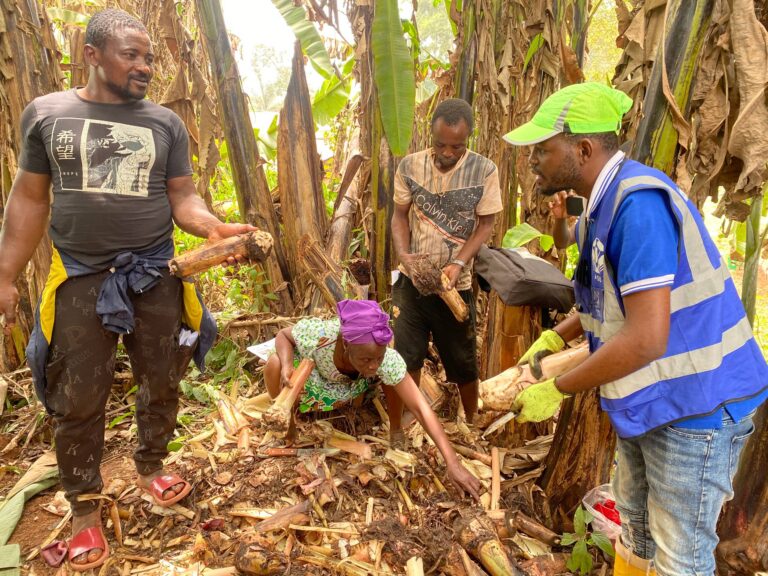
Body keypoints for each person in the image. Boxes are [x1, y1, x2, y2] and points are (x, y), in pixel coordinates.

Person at [0, 9, 253, 570]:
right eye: (130, 56)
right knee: (78, 396)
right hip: (80, 277)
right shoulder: (47, 114)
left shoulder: (164, 122)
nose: (144, 66)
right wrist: (6, 274)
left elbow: (181, 196)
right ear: (92, 55)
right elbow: (30, 199)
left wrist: (209, 225)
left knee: (163, 378)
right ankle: (86, 513)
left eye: (148, 58)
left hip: (156, 273)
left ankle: (150, 467)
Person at [504, 82, 768, 576]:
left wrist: (557, 389)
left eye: (543, 149)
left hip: (697, 406)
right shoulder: (601, 206)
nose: (534, 159)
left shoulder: (638, 205)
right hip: (651, 401)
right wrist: (556, 336)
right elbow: (604, 299)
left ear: (582, 149)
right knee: (638, 533)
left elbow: (646, 337)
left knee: (679, 559)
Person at [264, 299, 481, 500]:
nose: (373, 365)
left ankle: (395, 429)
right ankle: (288, 427)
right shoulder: (321, 335)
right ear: (346, 345)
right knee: (273, 363)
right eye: (366, 359)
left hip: (354, 387)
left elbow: (421, 408)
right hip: (319, 383)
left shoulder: (383, 360)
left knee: (394, 374)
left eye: (378, 357)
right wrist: (286, 364)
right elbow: (283, 335)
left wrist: (453, 463)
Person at [389, 98, 502, 444]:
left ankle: (471, 425)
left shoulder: (484, 171)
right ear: (430, 134)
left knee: (463, 361)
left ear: (468, 140)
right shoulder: (410, 167)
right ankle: (397, 429)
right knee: (403, 359)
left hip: (456, 286)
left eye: (457, 146)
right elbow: (399, 217)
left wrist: (458, 263)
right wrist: (405, 257)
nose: (448, 152)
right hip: (412, 284)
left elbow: (485, 225)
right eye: (441, 144)